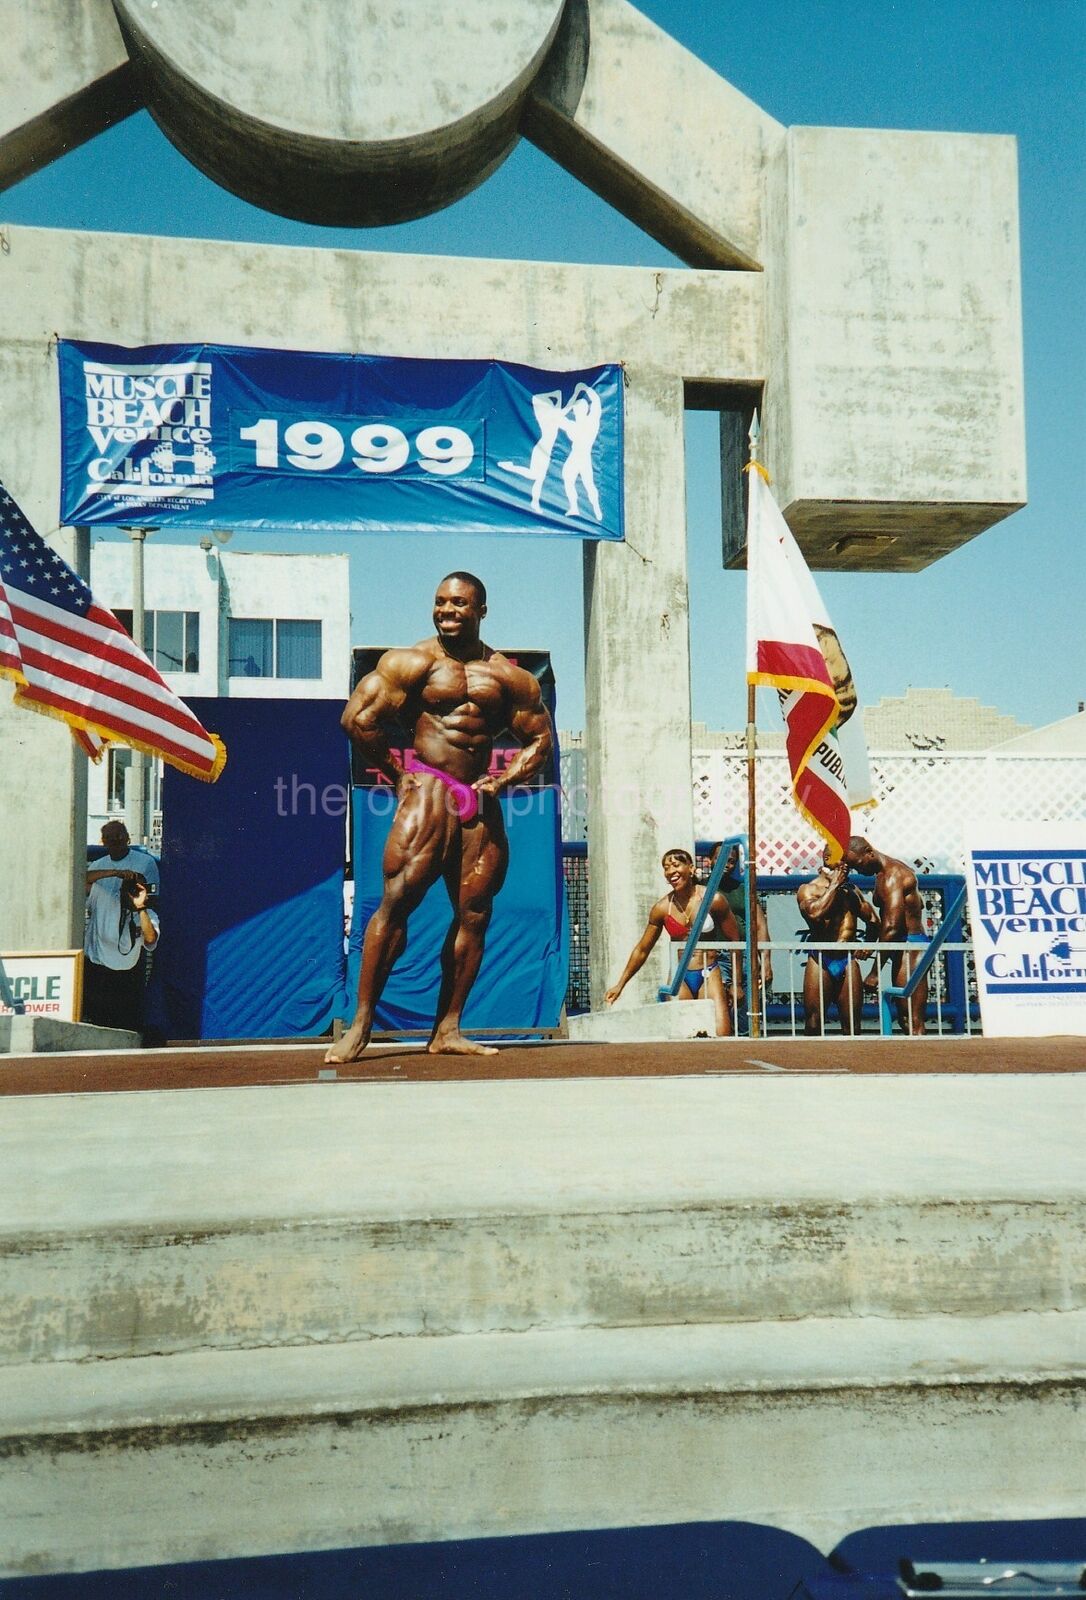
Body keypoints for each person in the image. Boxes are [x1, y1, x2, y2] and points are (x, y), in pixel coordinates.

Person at [327, 572, 553, 1063]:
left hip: (478, 799)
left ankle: (447, 1028)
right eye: (440, 602)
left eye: (459, 603)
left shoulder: (509, 677)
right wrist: (396, 772)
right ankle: (360, 1025)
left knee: (475, 913)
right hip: (429, 789)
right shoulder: (412, 662)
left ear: (481, 610)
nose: (447, 610)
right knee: (396, 902)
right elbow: (356, 720)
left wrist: (504, 781)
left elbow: (540, 739)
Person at [604, 848, 741, 1037]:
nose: (671, 871)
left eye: (676, 865)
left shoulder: (713, 900)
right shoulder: (662, 908)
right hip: (679, 977)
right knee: (682, 1035)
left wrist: (736, 983)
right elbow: (642, 950)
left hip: (709, 972)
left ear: (691, 868)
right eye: (666, 868)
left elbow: (735, 940)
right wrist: (620, 984)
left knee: (721, 1033)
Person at [843, 836, 929, 1035]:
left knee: (912, 1019)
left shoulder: (893, 875)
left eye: (857, 864)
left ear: (869, 853)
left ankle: (926, 1063)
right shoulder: (882, 874)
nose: (858, 870)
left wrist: (874, 972)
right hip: (900, 945)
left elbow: (892, 927)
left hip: (910, 946)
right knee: (904, 1018)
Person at [83, 820, 160, 1036]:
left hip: (128, 961)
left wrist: (139, 905)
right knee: (98, 1021)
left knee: (128, 1022)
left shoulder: (145, 863)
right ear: (104, 842)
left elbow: (151, 934)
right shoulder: (100, 881)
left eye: (119, 838)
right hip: (98, 958)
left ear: (127, 838)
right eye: (110, 839)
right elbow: (82, 881)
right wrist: (115, 874)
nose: (116, 843)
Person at [796, 848, 877, 1035]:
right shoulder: (808, 889)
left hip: (847, 960)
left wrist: (868, 947)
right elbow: (814, 913)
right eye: (842, 859)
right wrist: (834, 885)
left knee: (853, 1026)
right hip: (820, 959)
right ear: (826, 858)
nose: (846, 864)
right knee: (813, 1023)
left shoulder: (852, 892)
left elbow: (874, 922)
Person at [708, 842, 773, 1022]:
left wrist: (766, 961)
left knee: (746, 1016)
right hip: (714, 957)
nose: (727, 865)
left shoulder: (743, 890)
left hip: (744, 955)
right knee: (719, 1014)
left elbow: (760, 925)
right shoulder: (700, 890)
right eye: (721, 860)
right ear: (709, 861)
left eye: (731, 861)